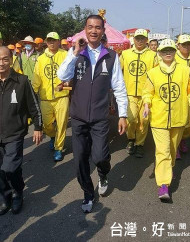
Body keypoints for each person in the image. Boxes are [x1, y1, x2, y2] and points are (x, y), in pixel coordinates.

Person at [57, 15, 128, 213]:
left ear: (103, 30)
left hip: (99, 118)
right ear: (85, 30)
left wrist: (123, 115)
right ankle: (88, 193)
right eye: (90, 27)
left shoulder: (112, 56)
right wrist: (74, 53)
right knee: (79, 160)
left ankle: (103, 173)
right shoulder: (76, 53)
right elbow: (61, 76)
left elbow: (119, 88)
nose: (94, 31)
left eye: (98, 27)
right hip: (78, 118)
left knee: (100, 157)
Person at [142, 39, 190, 200]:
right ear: (159, 53)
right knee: (163, 150)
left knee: (172, 150)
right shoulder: (153, 73)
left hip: (179, 118)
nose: (168, 52)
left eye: (171, 50)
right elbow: (147, 92)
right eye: (164, 50)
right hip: (159, 119)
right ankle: (163, 184)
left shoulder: (184, 71)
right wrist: (146, 104)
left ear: (175, 51)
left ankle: (167, 169)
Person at [0, 46, 43, 215]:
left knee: (10, 168)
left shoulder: (22, 81)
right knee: (0, 170)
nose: (2, 63)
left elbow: (34, 106)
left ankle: (18, 193)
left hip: (15, 133)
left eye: (5, 59)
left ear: (11, 60)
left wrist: (38, 127)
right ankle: (5, 197)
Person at [32, 32, 69, 162]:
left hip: (62, 97)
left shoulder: (65, 55)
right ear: (46, 42)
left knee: (62, 123)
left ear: (59, 41)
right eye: (49, 40)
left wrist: (66, 83)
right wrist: (32, 93)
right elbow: (36, 78)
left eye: (54, 40)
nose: (52, 42)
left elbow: (71, 73)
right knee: (47, 125)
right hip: (46, 98)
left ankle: (58, 148)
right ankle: (52, 136)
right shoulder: (41, 59)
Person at [120, 28, 157, 158]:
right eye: (137, 38)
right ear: (133, 39)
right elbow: (118, 72)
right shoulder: (125, 54)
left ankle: (140, 144)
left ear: (147, 40)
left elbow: (157, 74)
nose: (140, 41)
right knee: (131, 118)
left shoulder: (153, 55)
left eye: (142, 38)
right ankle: (131, 139)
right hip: (129, 93)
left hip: (146, 94)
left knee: (144, 120)